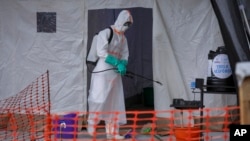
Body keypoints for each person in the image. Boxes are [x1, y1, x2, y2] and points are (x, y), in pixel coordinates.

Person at [87, 10, 133, 140]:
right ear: (120, 20)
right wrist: (115, 61)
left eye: (129, 25)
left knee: (115, 102)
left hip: (115, 73)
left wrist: (123, 63)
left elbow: (125, 54)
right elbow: (101, 51)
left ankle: (112, 132)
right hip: (103, 70)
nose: (127, 27)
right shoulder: (106, 32)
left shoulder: (123, 38)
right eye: (126, 23)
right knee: (98, 98)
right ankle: (92, 124)